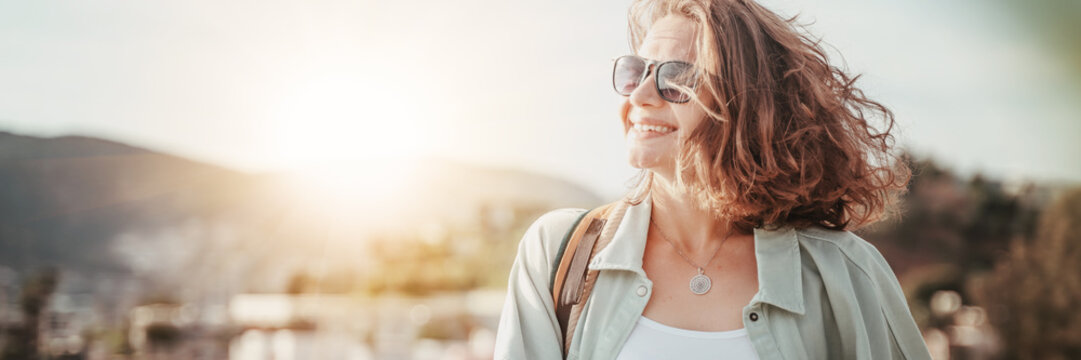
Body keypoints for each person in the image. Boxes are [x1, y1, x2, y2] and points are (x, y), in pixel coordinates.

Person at [494, 0, 933, 359]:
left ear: (748, 105)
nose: (641, 97)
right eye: (636, 71)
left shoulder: (845, 274)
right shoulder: (560, 254)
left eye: (677, 78)